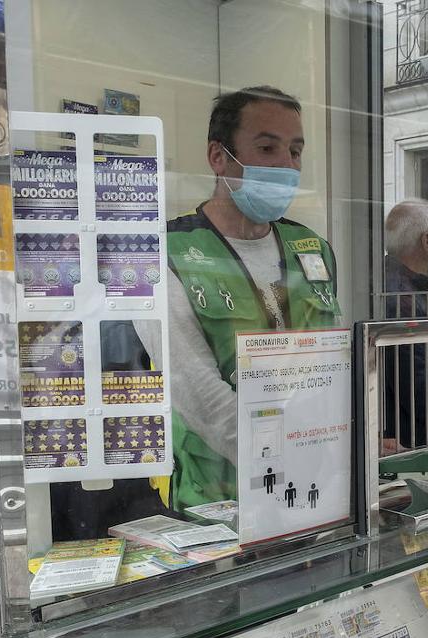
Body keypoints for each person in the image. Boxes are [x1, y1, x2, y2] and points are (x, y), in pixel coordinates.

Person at [134, 86, 341, 512]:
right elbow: (199, 396)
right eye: (267, 147)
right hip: (218, 505)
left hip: (318, 489)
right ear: (218, 157)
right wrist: (287, 458)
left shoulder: (311, 248)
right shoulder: (165, 255)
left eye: (296, 151)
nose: (287, 165)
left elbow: (336, 366)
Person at [381, 199, 428, 452]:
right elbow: (418, 390)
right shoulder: (403, 300)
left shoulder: (400, 285)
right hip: (409, 441)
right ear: (427, 241)